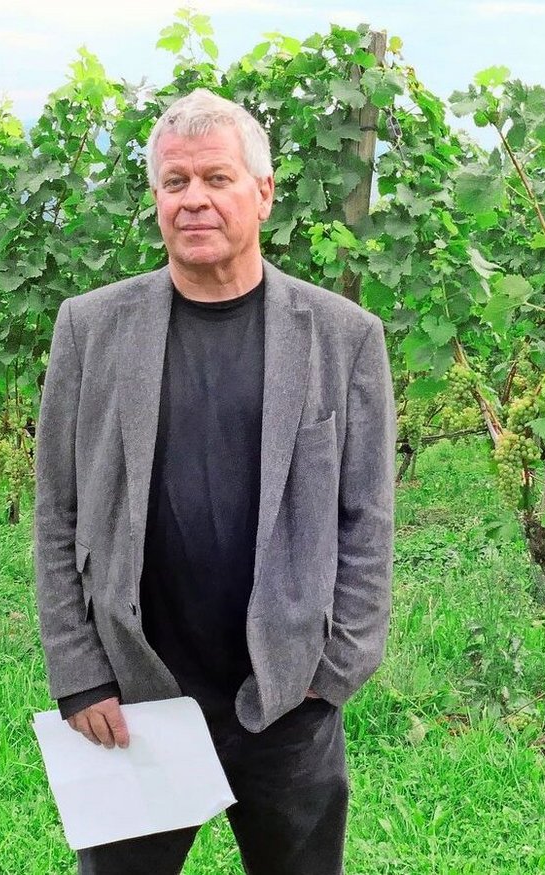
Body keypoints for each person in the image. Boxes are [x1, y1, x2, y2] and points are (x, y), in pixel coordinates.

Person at [33, 88, 395, 875]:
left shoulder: (343, 338)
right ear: (157, 198)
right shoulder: (90, 329)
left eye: (217, 178)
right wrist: (80, 673)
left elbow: (367, 520)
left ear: (262, 193)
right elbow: (56, 513)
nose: (194, 198)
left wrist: (331, 675)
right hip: (132, 701)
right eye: (175, 182)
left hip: (285, 701)